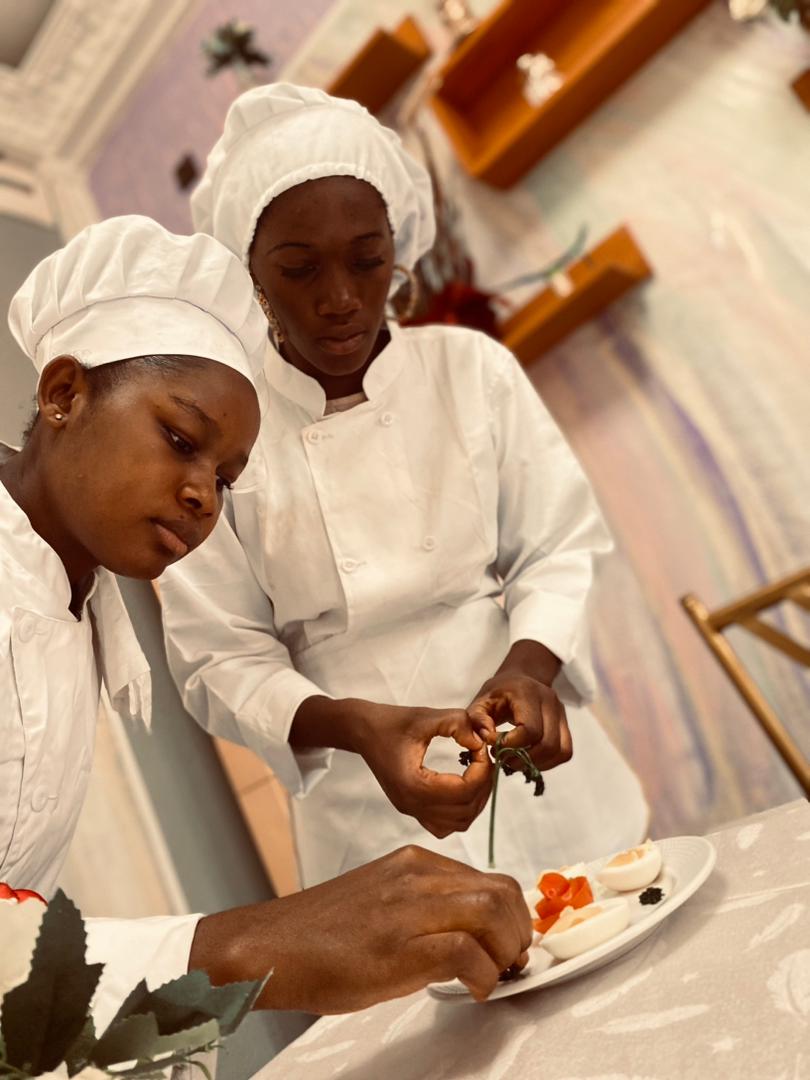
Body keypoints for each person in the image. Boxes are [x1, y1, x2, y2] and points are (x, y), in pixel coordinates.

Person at [0, 214, 531, 1030]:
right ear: (63, 393)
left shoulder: (76, 605)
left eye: (227, 477)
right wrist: (252, 945)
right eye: (180, 439)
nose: (203, 495)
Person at [160, 84, 649, 891]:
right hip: (366, 810)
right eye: (299, 268)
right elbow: (220, 658)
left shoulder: (470, 369)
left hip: (538, 766)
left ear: (399, 247)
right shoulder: (218, 430)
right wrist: (356, 726)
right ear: (250, 276)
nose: (342, 297)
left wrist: (529, 670)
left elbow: (557, 545)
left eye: (367, 258)